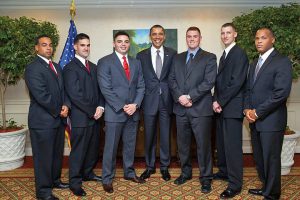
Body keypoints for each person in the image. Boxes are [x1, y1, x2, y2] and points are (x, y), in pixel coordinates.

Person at [244, 27, 292, 200]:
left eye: (263, 38)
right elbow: (248, 90)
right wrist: (247, 109)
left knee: (271, 159)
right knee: (259, 157)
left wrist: (258, 112)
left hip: (271, 120)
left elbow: (281, 93)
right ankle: (266, 187)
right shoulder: (254, 63)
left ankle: (272, 193)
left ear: (273, 40)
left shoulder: (282, 61)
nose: (259, 41)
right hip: (254, 120)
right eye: (257, 38)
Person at [168, 26, 217, 193]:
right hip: (180, 109)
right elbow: (171, 80)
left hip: (200, 109)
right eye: (189, 36)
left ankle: (206, 178)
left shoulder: (209, 58)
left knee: (203, 146)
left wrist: (189, 97)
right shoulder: (178, 58)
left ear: (200, 38)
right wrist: (180, 97)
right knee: (182, 145)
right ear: (186, 38)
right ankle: (185, 173)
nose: (192, 39)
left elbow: (208, 82)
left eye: (195, 36)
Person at [97, 31, 146, 193]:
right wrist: (123, 106)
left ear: (129, 44)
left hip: (133, 112)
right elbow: (106, 89)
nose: (123, 44)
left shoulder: (136, 62)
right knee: (110, 148)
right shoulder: (104, 62)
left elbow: (141, 86)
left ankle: (129, 172)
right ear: (114, 43)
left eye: (126, 41)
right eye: (120, 41)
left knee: (130, 146)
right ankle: (107, 178)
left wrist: (135, 105)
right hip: (115, 113)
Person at [25, 35, 70, 200]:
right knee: (43, 158)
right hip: (42, 122)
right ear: (37, 48)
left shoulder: (57, 66)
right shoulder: (32, 68)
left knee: (56, 154)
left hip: (58, 120)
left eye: (50, 45)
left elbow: (63, 90)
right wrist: (59, 109)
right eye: (44, 45)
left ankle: (54, 181)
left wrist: (66, 105)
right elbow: (41, 95)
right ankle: (43, 192)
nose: (48, 48)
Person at [63, 33, 104, 196]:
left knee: (93, 148)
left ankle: (88, 173)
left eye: (88, 45)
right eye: (82, 45)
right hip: (80, 118)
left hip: (95, 117)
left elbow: (100, 90)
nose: (86, 48)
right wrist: (91, 111)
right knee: (79, 151)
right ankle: (75, 182)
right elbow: (75, 95)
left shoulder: (93, 67)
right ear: (75, 47)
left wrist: (100, 107)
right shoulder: (70, 68)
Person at [212, 23, 249, 199]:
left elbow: (237, 82)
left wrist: (220, 101)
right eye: (223, 33)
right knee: (222, 144)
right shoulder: (225, 54)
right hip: (222, 108)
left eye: (228, 33)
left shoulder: (239, 53)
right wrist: (215, 101)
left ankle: (235, 185)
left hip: (232, 108)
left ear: (235, 34)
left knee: (233, 147)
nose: (225, 35)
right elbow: (220, 82)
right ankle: (224, 172)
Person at [136, 25, 177, 181]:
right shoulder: (141, 56)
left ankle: (165, 167)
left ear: (164, 36)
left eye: (160, 34)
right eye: (154, 34)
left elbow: (175, 77)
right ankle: (150, 166)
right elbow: (139, 80)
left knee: (166, 136)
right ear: (150, 36)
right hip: (148, 101)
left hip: (167, 101)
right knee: (149, 135)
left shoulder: (172, 54)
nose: (157, 37)